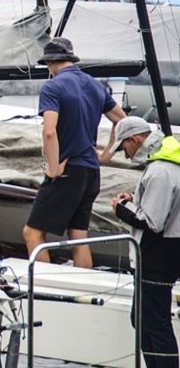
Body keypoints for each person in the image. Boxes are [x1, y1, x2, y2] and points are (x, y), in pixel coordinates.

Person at [22, 36, 127, 269]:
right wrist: (106, 155)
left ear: (49, 63)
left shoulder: (52, 86)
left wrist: (54, 169)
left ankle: (43, 286)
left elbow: (49, 132)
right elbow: (123, 121)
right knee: (78, 236)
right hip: (91, 172)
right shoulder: (95, 85)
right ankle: (83, 287)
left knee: (32, 234)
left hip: (67, 171)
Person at [106, 116, 180, 368]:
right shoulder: (168, 162)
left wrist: (121, 207)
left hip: (157, 257)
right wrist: (133, 201)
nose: (125, 155)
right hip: (164, 251)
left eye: (123, 147)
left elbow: (152, 222)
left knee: (155, 323)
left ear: (136, 139)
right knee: (141, 319)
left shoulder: (160, 170)